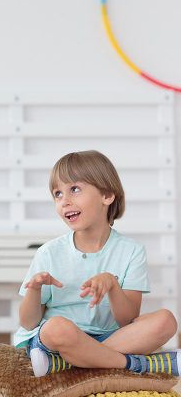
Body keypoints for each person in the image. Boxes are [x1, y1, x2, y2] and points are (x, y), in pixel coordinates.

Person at [14, 150, 179, 377]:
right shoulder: (48, 253)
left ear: (107, 195)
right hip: (57, 342)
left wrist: (112, 284)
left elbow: (126, 319)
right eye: (57, 194)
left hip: (110, 337)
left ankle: (68, 364)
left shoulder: (131, 251)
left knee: (166, 321)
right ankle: (138, 365)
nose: (65, 201)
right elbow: (28, 322)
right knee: (56, 328)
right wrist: (34, 289)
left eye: (75, 189)